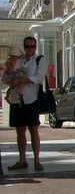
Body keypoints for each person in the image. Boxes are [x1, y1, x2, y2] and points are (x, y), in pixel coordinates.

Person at [6, 36, 48, 171]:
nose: (30, 49)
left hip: (31, 99)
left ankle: (37, 160)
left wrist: (24, 81)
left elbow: (39, 77)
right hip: (16, 99)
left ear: (35, 47)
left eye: (32, 46)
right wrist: (12, 82)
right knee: (20, 130)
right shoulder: (19, 60)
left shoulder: (39, 60)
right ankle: (22, 159)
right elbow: (10, 74)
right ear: (24, 47)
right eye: (27, 46)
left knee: (33, 129)